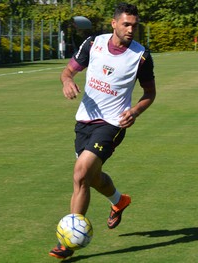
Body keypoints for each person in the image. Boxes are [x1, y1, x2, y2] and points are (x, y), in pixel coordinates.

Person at [49, 2, 156, 260]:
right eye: (126, 24)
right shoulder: (93, 44)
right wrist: (67, 81)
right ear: (114, 23)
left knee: (81, 174)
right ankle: (119, 201)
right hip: (84, 121)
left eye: (134, 25)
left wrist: (135, 111)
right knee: (92, 179)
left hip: (113, 123)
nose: (131, 29)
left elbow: (150, 93)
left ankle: (69, 242)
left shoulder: (140, 56)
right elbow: (67, 72)